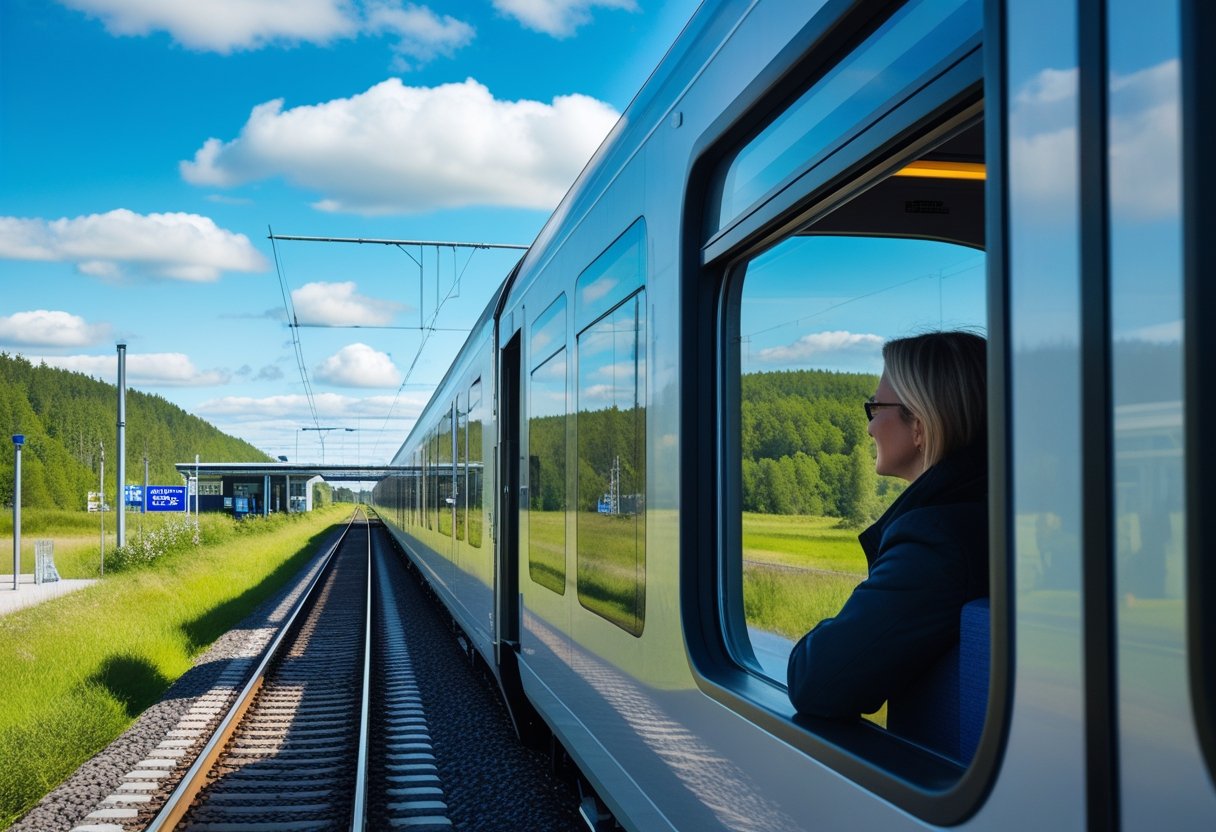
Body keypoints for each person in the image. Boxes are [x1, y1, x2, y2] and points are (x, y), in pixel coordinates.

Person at [787, 331, 988, 718]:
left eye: (876, 408)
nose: (869, 427)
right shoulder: (987, 514)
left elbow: (815, 680)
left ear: (921, 425)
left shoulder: (935, 543)